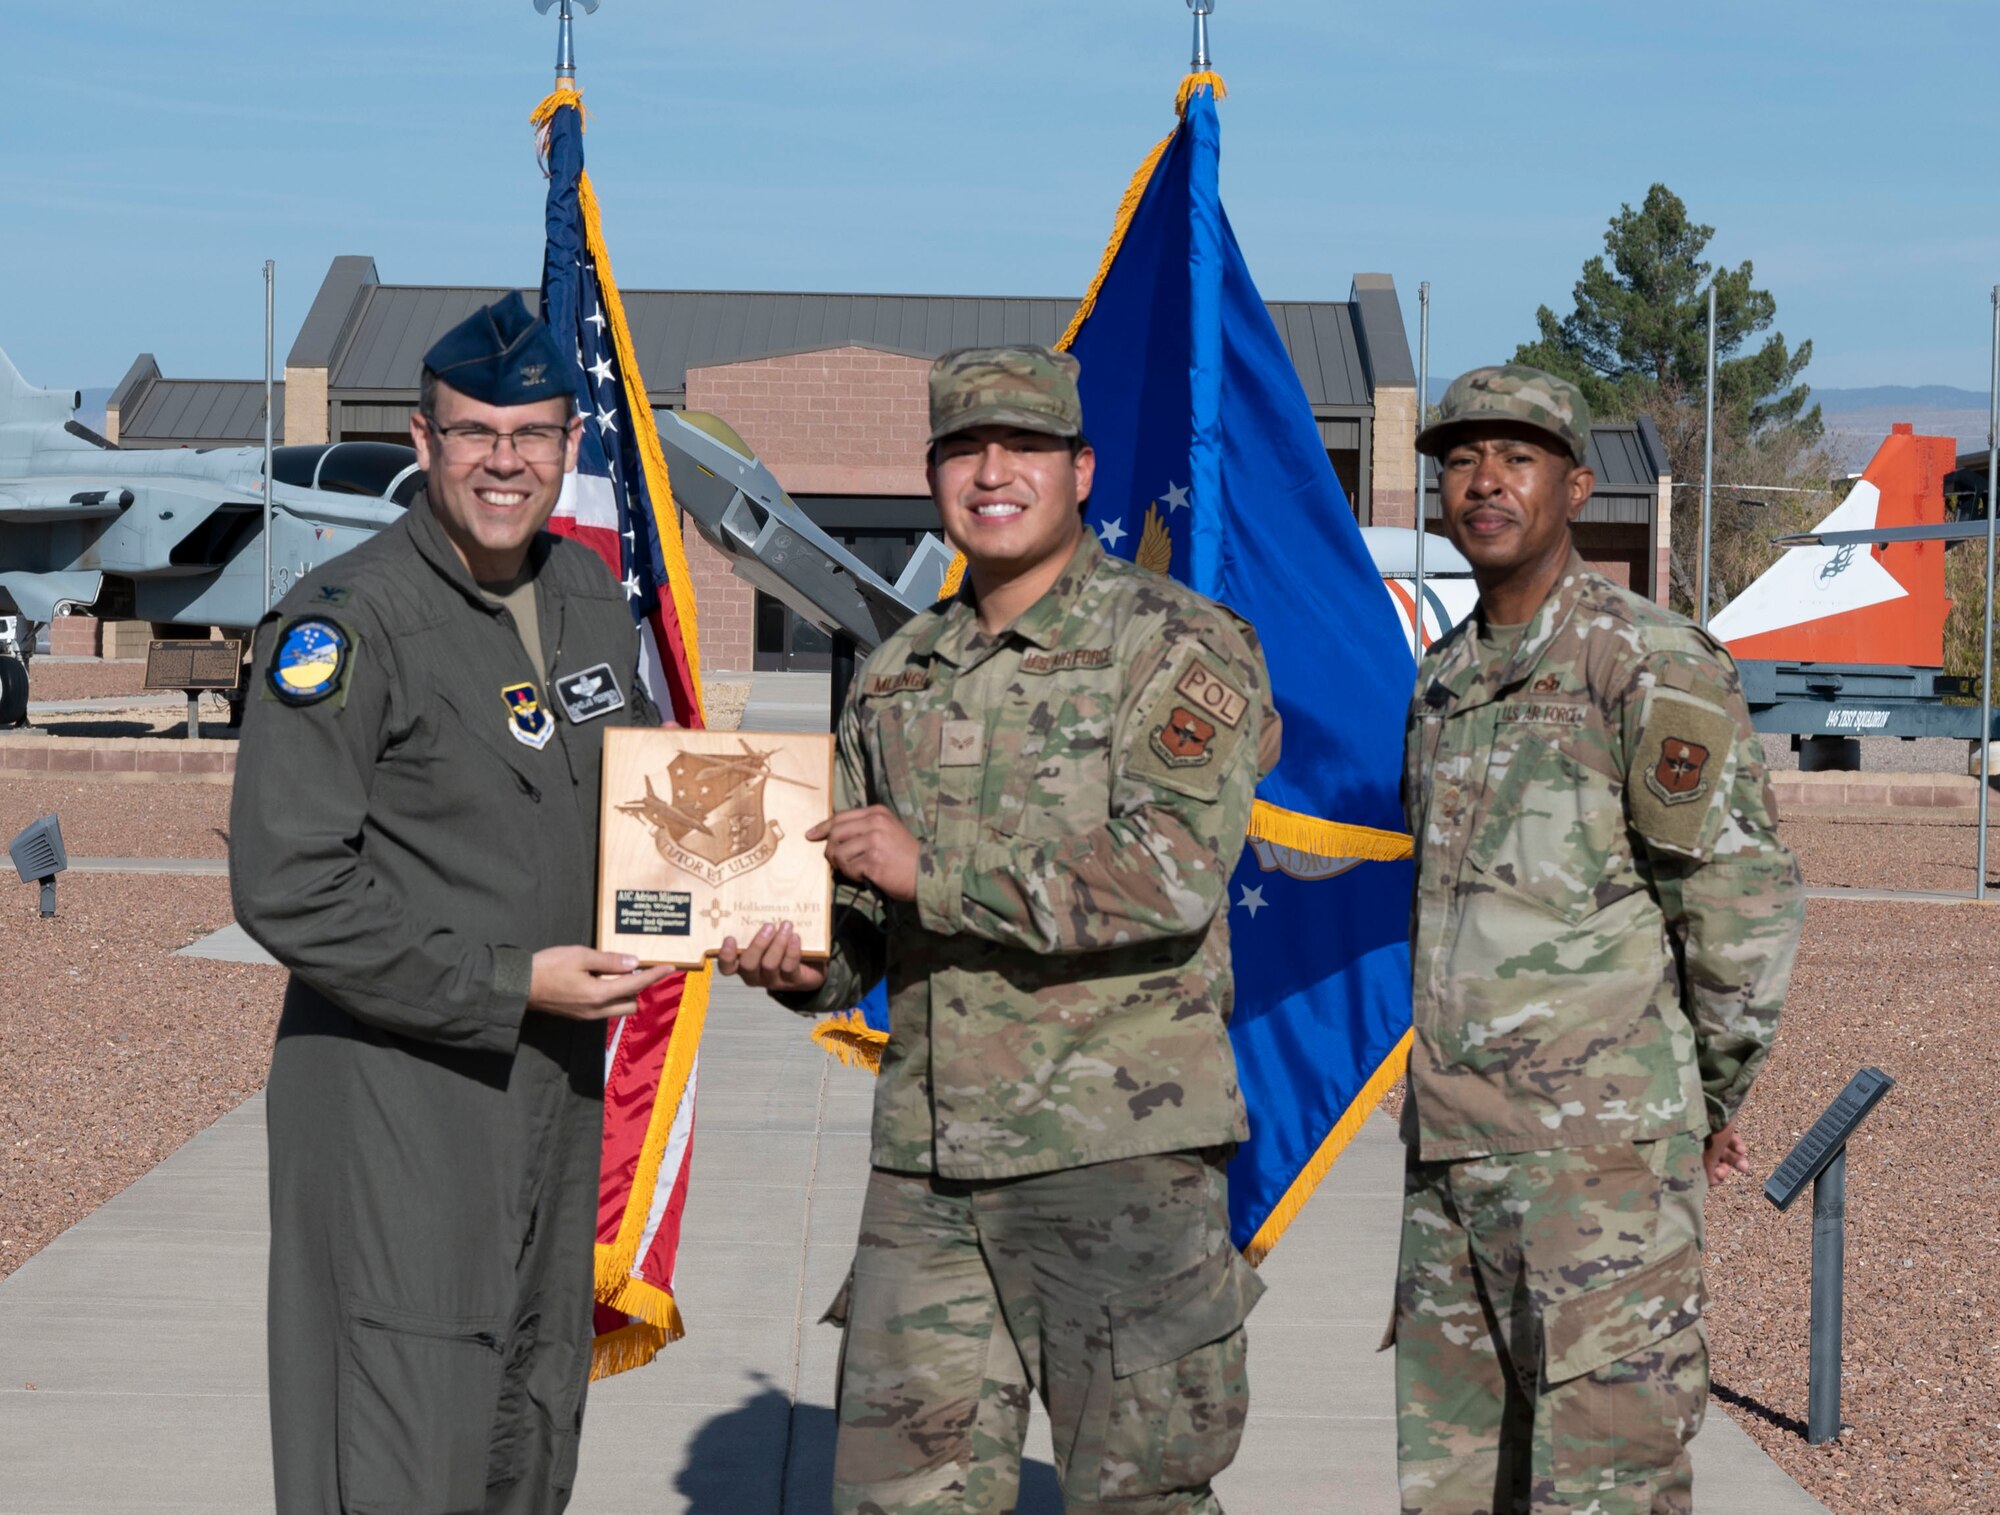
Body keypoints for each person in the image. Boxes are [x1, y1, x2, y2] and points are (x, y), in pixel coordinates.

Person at [721, 345, 1276, 1515]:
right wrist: (802, 959)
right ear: (933, 477)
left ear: (1077, 469)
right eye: (963, 449)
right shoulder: (896, 675)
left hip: (1111, 1160)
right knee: (897, 1498)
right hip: (928, 1170)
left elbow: (1168, 873)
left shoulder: (1174, 644)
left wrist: (932, 871)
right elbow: (868, 923)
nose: (991, 472)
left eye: (1021, 447)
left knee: (1140, 1497)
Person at [230, 291, 671, 1515]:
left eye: (530, 435)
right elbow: (287, 883)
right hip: (400, 1085)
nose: (504, 462)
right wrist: (500, 981)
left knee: (528, 1405)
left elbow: (638, 806)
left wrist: (725, 903)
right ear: (422, 445)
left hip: (554, 1075)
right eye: (474, 434)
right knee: (399, 1424)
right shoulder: (348, 623)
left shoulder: (584, 593)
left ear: (567, 447)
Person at [1388, 364, 1806, 1515]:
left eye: (1515, 459)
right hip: (1453, 1164)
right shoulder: (1443, 678)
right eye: (1461, 460)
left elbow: (1736, 909)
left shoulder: (1643, 660)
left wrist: (1690, 1107)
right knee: (1455, 1485)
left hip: (1599, 1172)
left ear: (1573, 486)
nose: (1483, 483)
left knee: (1605, 1485)